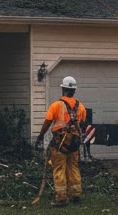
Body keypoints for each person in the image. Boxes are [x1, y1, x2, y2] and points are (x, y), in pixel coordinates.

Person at [35, 75, 86, 206]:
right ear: (74, 91)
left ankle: (61, 197)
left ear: (63, 89)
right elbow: (83, 124)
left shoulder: (56, 105)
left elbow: (47, 123)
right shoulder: (81, 107)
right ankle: (75, 195)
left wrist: (40, 136)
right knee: (73, 167)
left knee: (59, 168)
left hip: (60, 143)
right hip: (74, 143)